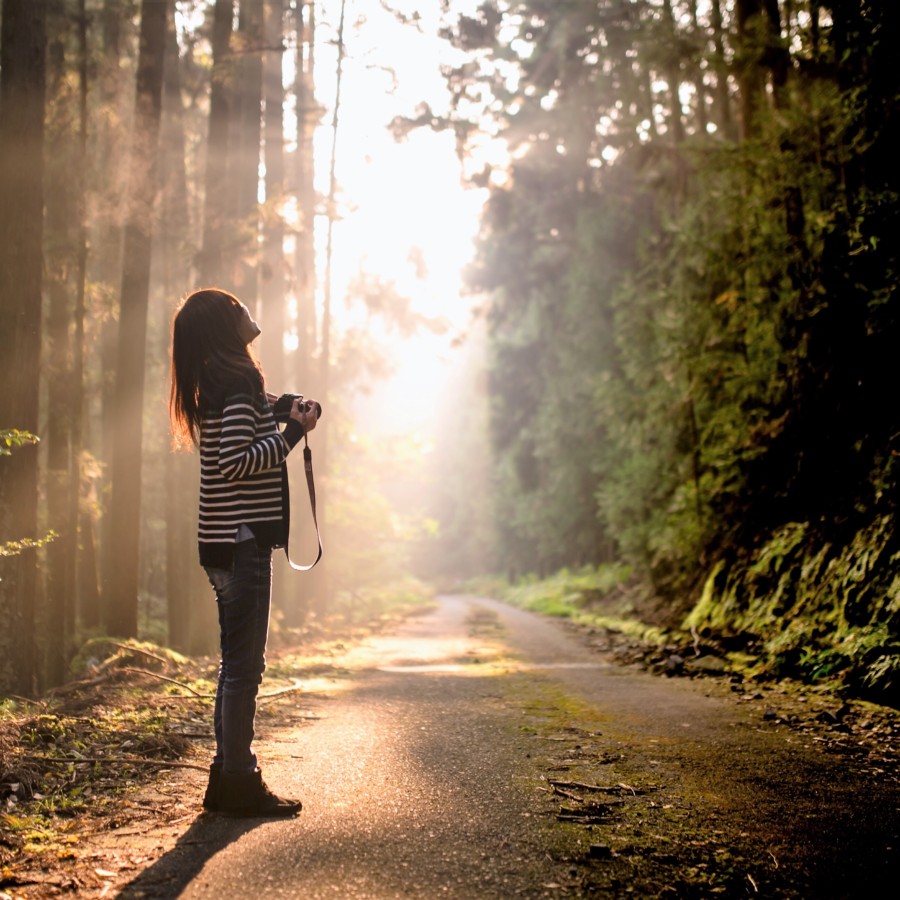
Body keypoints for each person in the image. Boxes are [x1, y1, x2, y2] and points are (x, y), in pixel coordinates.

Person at [169, 287, 318, 817]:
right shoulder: (234, 380)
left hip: (222, 541)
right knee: (243, 670)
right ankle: (238, 781)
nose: (246, 311)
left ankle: (226, 777)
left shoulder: (218, 380)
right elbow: (236, 460)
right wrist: (293, 433)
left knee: (233, 666)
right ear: (223, 326)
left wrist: (285, 406)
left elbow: (250, 414)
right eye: (235, 308)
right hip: (242, 541)